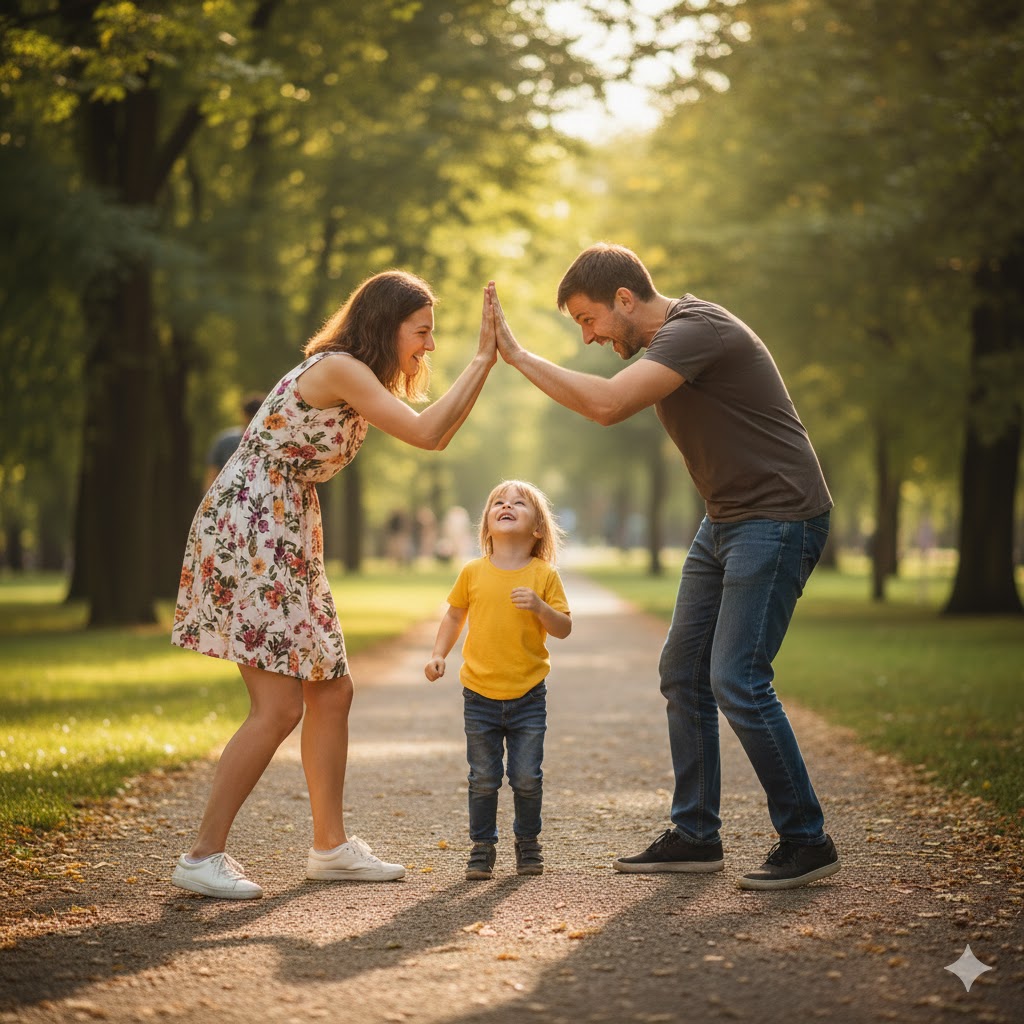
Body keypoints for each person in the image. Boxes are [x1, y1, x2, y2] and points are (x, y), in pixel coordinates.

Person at [489, 243, 839, 891]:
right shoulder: (670, 343)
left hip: (779, 517)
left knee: (737, 678)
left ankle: (806, 838)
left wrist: (516, 355)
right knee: (684, 671)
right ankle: (697, 836)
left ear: (625, 299)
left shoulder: (696, 329)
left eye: (588, 320)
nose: (589, 337)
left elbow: (606, 406)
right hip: (727, 519)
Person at [170, 270, 497, 899]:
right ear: (386, 323)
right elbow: (430, 434)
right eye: (422, 332)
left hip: (283, 526)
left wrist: (483, 362)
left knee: (332, 690)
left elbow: (438, 430)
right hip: (254, 528)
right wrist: (484, 358)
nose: (428, 347)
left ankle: (330, 846)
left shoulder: (357, 377)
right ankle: (202, 854)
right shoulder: (343, 367)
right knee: (280, 705)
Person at [424, 480, 572, 881]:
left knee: (526, 777)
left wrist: (541, 607)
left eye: (518, 503)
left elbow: (563, 629)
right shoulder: (473, 571)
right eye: (498, 504)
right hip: (479, 694)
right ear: (487, 525)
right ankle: (482, 847)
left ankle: (528, 843)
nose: (506, 506)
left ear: (537, 528)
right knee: (484, 778)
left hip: (528, 695)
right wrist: (439, 654)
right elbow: (454, 616)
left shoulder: (544, 574)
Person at [203, 393, 265, 491]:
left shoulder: (224, 440)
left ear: (243, 414)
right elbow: (212, 475)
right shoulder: (269, 443)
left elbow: (212, 476)